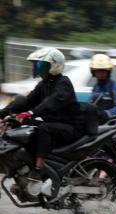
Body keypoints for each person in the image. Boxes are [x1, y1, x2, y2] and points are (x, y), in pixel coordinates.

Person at [0, 47, 86, 179]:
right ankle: (26, 161)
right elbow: (27, 101)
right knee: (21, 124)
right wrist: (4, 114)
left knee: (43, 128)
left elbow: (52, 102)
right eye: (36, 65)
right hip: (53, 125)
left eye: (41, 65)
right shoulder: (44, 84)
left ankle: (39, 167)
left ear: (54, 65)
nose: (37, 68)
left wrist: (31, 112)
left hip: (71, 127)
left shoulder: (64, 83)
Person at [88, 53, 116, 166]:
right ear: (93, 72)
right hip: (104, 126)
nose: (100, 73)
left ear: (108, 71)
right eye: (98, 71)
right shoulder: (96, 88)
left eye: (103, 71)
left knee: (107, 148)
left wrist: (106, 114)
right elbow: (91, 105)